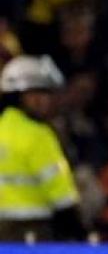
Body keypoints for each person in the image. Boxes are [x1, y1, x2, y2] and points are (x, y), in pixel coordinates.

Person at [0, 55, 86, 241]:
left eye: (47, 94)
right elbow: (61, 196)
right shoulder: (37, 134)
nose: (44, 101)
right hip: (31, 230)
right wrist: (81, 233)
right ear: (17, 96)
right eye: (36, 94)